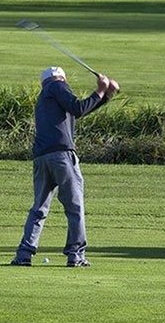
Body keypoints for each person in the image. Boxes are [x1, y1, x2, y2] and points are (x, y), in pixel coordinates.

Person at [10, 66, 119, 267]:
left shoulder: (46, 95)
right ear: (61, 78)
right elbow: (78, 108)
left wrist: (105, 95)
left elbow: (78, 111)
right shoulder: (57, 86)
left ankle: (24, 254)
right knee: (75, 206)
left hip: (42, 158)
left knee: (39, 209)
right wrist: (100, 90)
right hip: (61, 156)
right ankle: (75, 254)